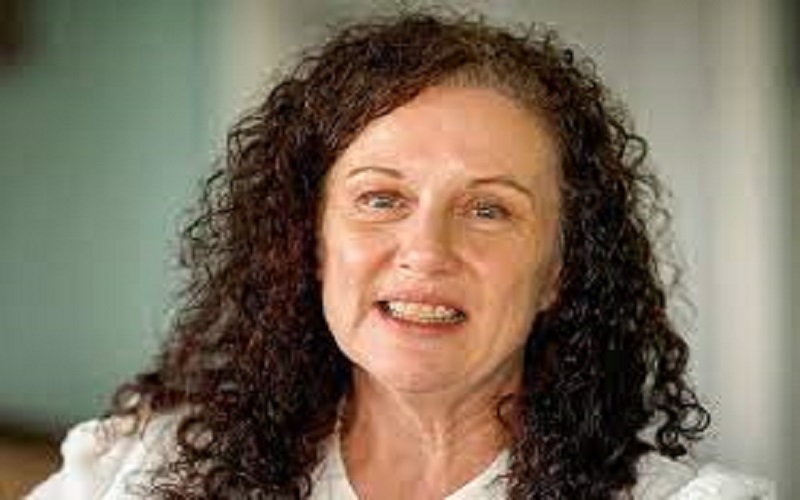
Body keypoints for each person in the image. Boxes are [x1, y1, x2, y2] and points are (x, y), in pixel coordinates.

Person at [27, 12, 773, 500]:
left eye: (489, 209)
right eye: (381, 198)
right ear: (311, 243)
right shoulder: (135, 471)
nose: (426, 251)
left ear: (559, 271)